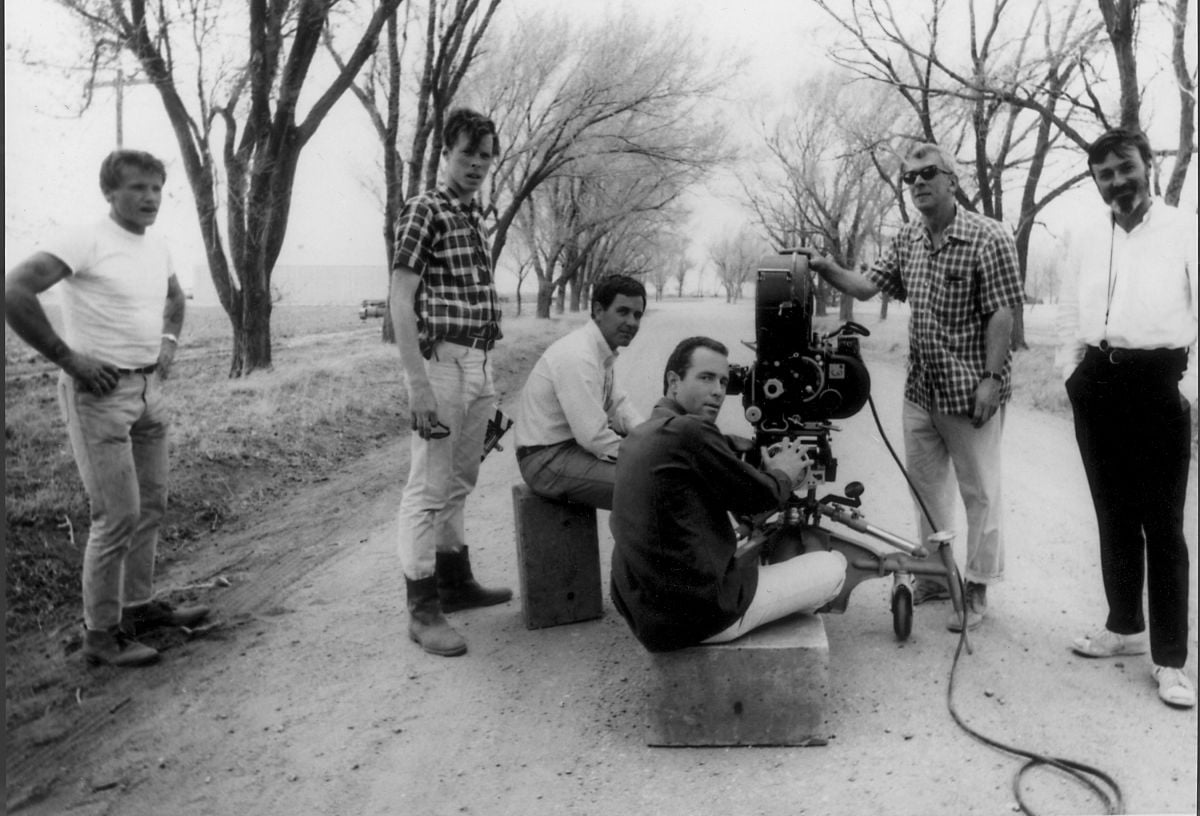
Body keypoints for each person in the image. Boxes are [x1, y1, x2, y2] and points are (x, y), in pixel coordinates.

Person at [5, 149, 209, 668]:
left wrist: (168, 343)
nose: (149, 198)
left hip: (147, 393)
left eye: (157, 189)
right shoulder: (86, 238)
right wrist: (67, 357)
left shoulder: (157, 244)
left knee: (151, 506)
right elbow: (14, 290)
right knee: (115, 515)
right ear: (110, 193)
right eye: (138, 188)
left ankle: (137, 609)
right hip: (98, 395)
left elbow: (176, 299)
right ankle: (100, 635)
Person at [809, 142, 1024, 632]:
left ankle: (976, 586)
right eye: (910, 178)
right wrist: (825, 267)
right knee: (926, 488)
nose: (918, 184)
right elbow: (867, 286)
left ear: (952, 179)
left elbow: (1002, 315)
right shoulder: (908, 239)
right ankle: (933, 573)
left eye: (928, 174)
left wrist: (992, 379)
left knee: (981, 492)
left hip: (971, 390)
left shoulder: (988, 237)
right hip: (921, 391)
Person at [1055, 128, 1197, 709]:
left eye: (1125, 167)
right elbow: (1068, 309)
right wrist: (1071, 374)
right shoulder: (1086, 235)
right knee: (1112, 515)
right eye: (1104, 174)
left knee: (1162, 526)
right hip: (1098, 379)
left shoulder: (1187, 229)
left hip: (1161, 382)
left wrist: (1187, 388)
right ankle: (1122, 628)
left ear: (1150, 164)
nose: (1117, 181)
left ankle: (1170, 660)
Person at [609, 336, 847, 652]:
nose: (719, 391)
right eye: (705, 378)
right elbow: (762, 498)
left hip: (647, 619)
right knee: (833, 566)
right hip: (701, 618)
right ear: (673, 381)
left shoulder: (641, 434)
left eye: (724, 380)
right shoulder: (690, 431)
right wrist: (784, 472)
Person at [390, 107, 512, 658]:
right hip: (440, 366)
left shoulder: (472, 216)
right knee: (428, 487)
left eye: (486, 157)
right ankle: (422, 610)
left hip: (478, 365)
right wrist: (417, 384)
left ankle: (455, 581)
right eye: (468, 154)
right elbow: (400, 299)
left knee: (460, 482)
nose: (478, 165)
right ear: (445, 153)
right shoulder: (424, 209)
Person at [513, 274, 647, 509]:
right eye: (623, 312)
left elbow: (620, 407)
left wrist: (652, 440)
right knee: (651, 486)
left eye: (637, 315)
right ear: (597, 310)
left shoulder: (601, 352)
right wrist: (646, 457)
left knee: (661, 475)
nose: (632, 322)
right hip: (545, 460)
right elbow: (593, 437)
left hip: (570, 450)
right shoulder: (578, 355)